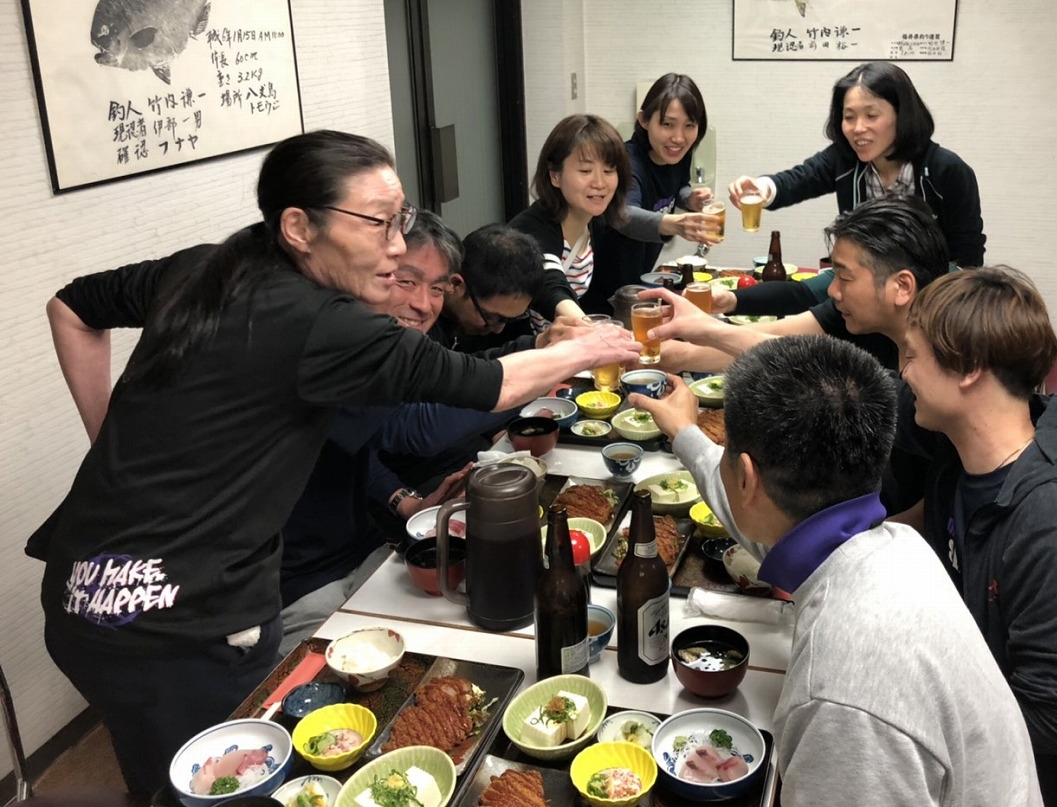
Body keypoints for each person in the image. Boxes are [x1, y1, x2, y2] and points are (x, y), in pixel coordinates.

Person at [33, 129, 639, 795]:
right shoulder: (320, 321)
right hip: (180, 618)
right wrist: (594, 344)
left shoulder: (208, 266)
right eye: (380, 223)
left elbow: (71, 307)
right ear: (299, 226)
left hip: (82, 594)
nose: (398, 245)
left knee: (165, 773)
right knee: (235, 780)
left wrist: (110, 445)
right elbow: (486, 386)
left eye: (401, 219)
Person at [632, 337, 1043, 806]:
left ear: (746, 478)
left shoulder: (839, 696)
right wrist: (685, 433)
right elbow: (754, 516)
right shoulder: (897, 546)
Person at [895, 267, 1057, 807]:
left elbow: (1054, 721)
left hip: (1022, 780)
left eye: (911, 356)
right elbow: (927, 531)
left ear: (969, 369)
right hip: (965, 695)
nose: (903, 373)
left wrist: (903, 704)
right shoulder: (961, 459)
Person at [278, 211, 516, 657]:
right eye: (405, 281)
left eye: (437, 289)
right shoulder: (326, 346)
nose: (423, 304)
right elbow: (414, 430)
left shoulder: (387, 343)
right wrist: (542, 361)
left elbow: (351, 445)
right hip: (296, 583)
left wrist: (405, 502)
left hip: (367, 547)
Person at [645, 196, 950, 375]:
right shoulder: (854, 313)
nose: (832, 290)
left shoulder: (947, 358)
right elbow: (775, 342)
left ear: (902, 287)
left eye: (844, 277)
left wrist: (709, 331)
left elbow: (801, 362)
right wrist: (679, 355)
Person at [728, 61, 985, 267]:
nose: (858, 128)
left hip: (931, 301)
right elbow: (800, 179)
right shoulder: (845, 159)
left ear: (902, 114)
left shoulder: (946, 170)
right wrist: (762, 188)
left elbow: (968, 257)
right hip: (864, 297)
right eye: (849, 117)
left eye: (871, 115)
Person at [582, 73, 716, 312]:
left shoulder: (676, 154)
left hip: (637, 281)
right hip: (602, 295)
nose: (678, 137)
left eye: (689, 125)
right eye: (667, 124)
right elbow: (625, 215)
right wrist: (676, 224)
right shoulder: (628, 162)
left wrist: (689, 198)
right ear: (643, 120)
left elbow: (677, 185)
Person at [510, 114, 633, 327]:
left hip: (558, 342)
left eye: (609, 170)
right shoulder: (531, 228)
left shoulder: (594, 221)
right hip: (520, 345)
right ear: (555, 176)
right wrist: (591, 332)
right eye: (585, 171)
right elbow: (548, 283)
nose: (600, 183)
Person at [433, 223, 544, 355]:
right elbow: (450, 367)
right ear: (455, 284)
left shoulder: (488, 319)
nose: (498, 330)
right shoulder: (421, 324)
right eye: (490, 316)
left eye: (509, 320)